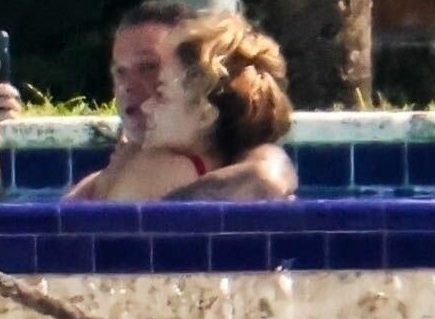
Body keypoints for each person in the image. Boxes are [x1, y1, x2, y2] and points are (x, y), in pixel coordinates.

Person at [0, 0, 297, 202]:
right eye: (120, 71)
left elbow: (266, 177)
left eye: (150, 68)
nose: (129, 86)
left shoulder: (180, 166)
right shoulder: (129, 159)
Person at [82, 11, 293, 200]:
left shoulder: (167, 169)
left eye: (161, 94)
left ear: (205, 115)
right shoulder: (143, 155)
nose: (147, 106)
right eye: (119, 71)